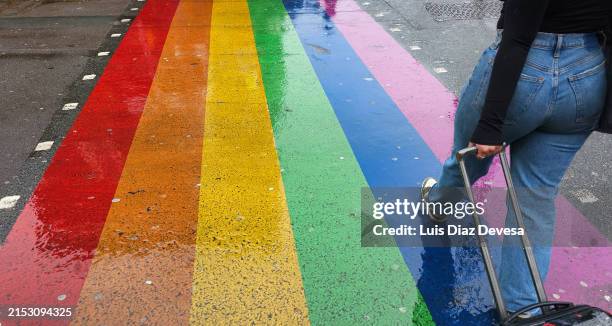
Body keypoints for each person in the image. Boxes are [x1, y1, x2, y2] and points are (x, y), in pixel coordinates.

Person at [420, 0, 612, 318]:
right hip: (588, 69)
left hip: (524, 69)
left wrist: (490, 124)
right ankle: (523, 307)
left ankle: (439, 204)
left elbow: (519, 36)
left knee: (468, 162)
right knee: (536, 195)